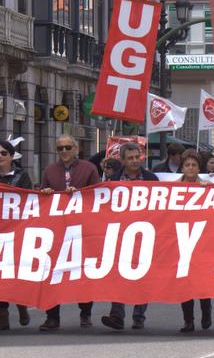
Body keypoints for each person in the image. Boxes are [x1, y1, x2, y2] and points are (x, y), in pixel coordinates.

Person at [39, 135, 100, 331]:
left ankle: (85, 312)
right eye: (60, 148)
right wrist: (46, 193)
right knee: (52, 271)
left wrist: (80, 193)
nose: (63, 151)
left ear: (76, 148)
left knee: (82, 270)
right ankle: (52, 316)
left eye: (67, 147)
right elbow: (41, 195)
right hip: (56, 229)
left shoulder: (89, 169)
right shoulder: (49, 170)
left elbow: (97, 195)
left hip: (82, 228)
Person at [101, 142, 158, 330]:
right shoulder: (112, 181)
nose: (135, 161)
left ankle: (139, 316)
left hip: (145, 234)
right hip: (120, 234)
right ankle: (116, 315)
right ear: (123, 160)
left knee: (141, 275)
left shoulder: (152, 179)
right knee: (118, 275)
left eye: (137, 157)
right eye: (130, 158)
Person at [0, 141, 33, 331]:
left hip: (16, 232)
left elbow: (29, 200)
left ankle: (22, 305)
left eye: (3, 153)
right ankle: (2, 316)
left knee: (15, 273)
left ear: (11, 156)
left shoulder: (22, 176)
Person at [176, 150, 213, 333]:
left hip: (201, 240)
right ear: (182, 168)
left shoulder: (207, 186)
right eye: (187, 165)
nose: (190, 168)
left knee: (202, 281)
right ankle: (188, 320)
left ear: (199, 168)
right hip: (181, 239)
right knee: (184, 282)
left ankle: (206, 312)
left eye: (194, 165)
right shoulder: (173, 188)